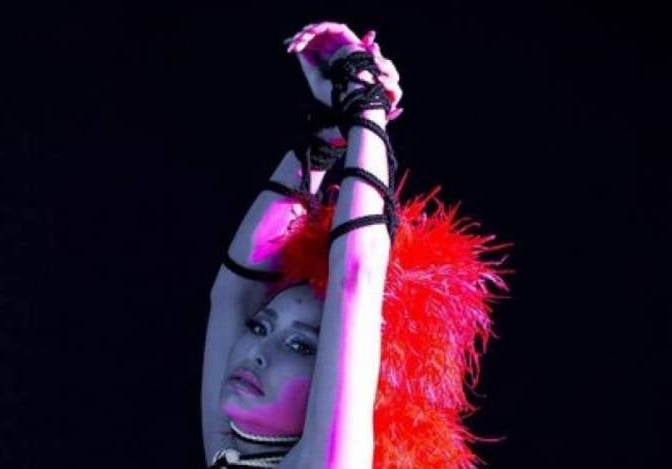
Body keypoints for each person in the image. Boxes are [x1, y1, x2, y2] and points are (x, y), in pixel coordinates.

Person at [201, 21, 512, 469]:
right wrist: (327, 135)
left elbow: (357, 279)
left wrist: (366, 103)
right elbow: (235, 292)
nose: (256, 353)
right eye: (260, 327)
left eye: (302, 346)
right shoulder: (229, 453)